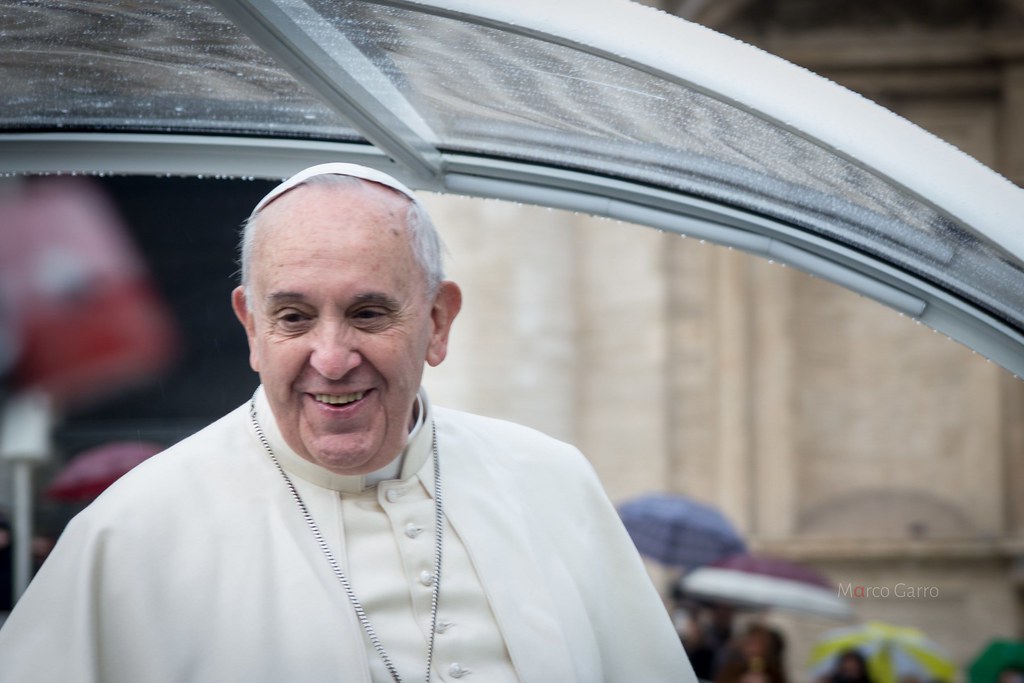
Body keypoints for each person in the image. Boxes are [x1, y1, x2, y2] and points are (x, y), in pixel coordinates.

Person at [0, 163, 696, 683]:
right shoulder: (130, 532)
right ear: (251, 326)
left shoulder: (551, 481)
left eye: (368, 313)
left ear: (437, 320)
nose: (331, 359)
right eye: (294, 317)